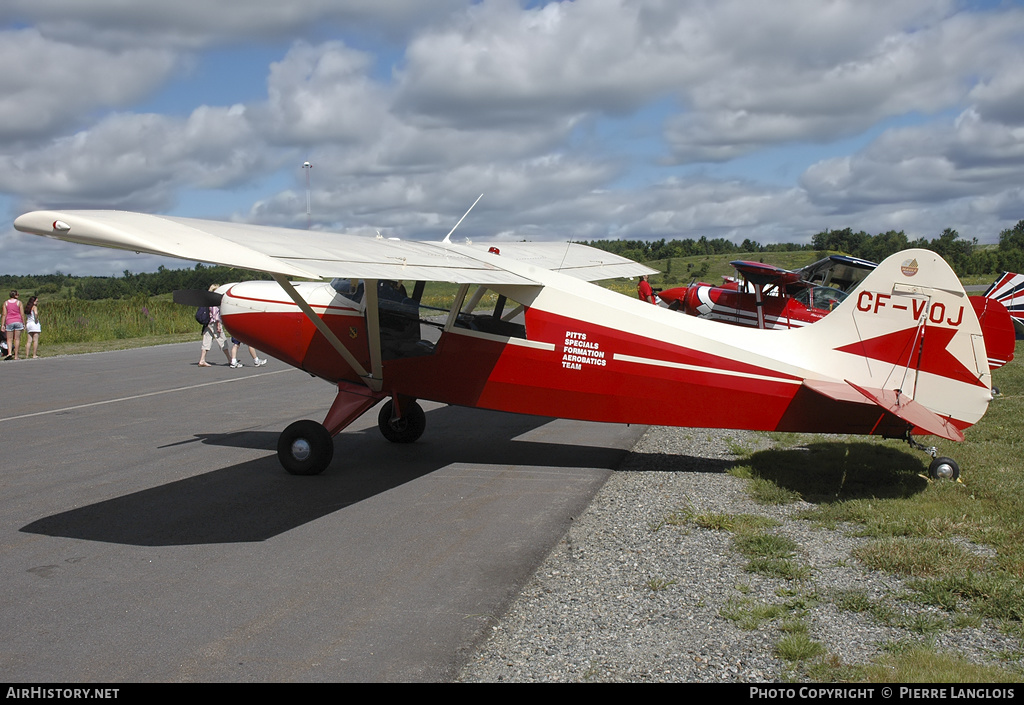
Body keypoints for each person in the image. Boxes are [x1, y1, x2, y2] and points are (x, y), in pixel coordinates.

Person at [198, 284, 232, 367]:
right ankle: (230, 359)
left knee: (206, 341)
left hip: (208, 323)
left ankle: (202, 360)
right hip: (214, 323)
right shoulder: (215, 302)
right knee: (222, 341)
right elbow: (215, 315)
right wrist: (218, 325)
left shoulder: (208, 301)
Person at [2, 290, 25, 360]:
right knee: (17, 339)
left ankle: (9, 353)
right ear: (15, 295)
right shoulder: (19, 303)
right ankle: (16, 355)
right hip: (18, 321)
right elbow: (22, 314)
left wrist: (3, 324)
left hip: (9, 321)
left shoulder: (6, 303)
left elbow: (4, 314)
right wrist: (24, 323)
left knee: (9, 339)